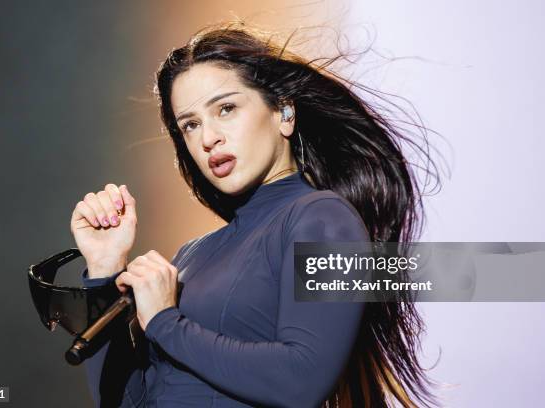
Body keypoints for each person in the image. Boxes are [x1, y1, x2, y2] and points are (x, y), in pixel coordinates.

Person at [71, 21, 440, 408]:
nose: (208, 138)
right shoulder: (190, 256)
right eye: (190, 125)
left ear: (283, 111)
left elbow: (300, 381)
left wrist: (165, 323)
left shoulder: (324, 220)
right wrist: (104, 269)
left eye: (226, 109)